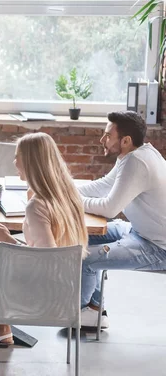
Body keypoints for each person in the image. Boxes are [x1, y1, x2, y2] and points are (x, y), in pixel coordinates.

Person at [0, 132, 88, 345]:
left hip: (43, 287)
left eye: (18, 156)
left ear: (32, 162)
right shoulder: (67, 194)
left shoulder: (37, 206)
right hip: (67, 282)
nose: (14, 161)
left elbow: (47, 258)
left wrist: (8, 239)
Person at [77, 111, 166, 328]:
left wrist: (73, 201)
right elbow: (104, 185)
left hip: (157, 247)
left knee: (84, 258)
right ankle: (96, 308)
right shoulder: (137, 154)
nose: (102, 140)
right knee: (80, 234)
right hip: (137, 232)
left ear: (125, 140)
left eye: (107, 135)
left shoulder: (136, 162)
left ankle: (80, 313)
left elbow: (109, 208)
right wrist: (66, 191)